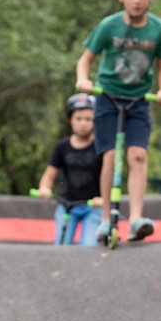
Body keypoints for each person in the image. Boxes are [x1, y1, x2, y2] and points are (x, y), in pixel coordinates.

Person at [75, 0, 161, 242]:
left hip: (138, 100)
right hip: (107, 98)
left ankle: (136, 219)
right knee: (109, 156)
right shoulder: (109, 26)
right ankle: (106, 219)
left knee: (138, 154)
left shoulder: (159, 29)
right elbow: (85, 60)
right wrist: (84, 80)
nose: (137, 0)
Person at [36, 94, 103, 245]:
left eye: (88, 119)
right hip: (67, 205)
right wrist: (44, 188)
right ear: (70, 120)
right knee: (61, 245)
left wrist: (104, 198)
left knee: (89, 245)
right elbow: (49, 175)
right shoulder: (62, 146)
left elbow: (109, 176)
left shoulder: (100, 146)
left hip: (93, 206)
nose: (83, 123)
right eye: (78, 119)